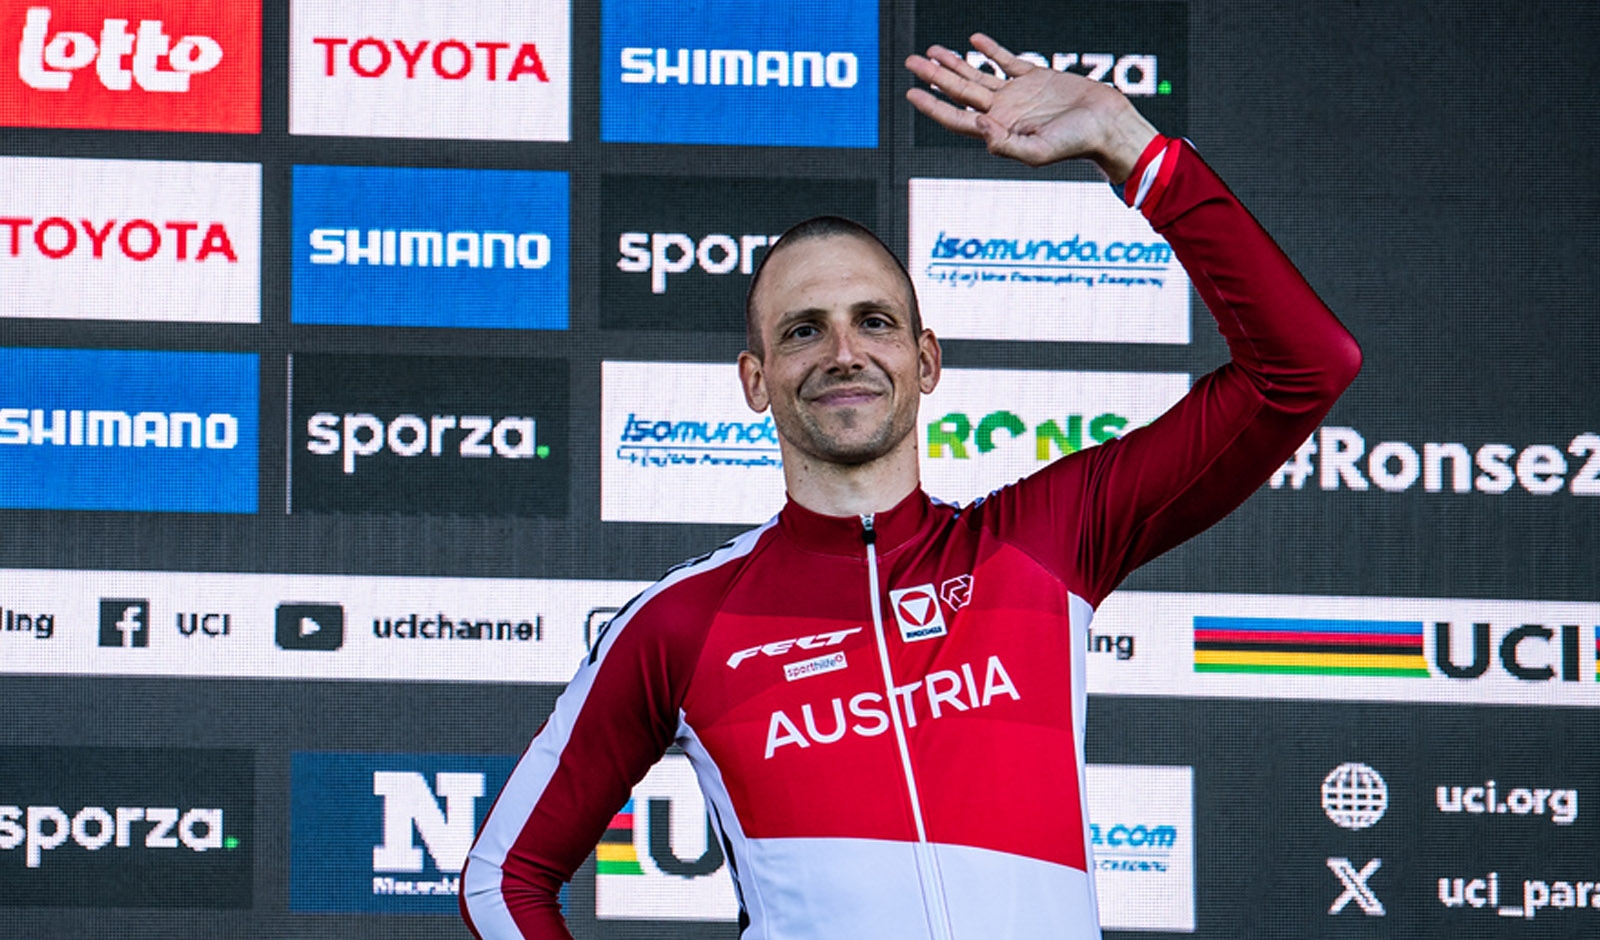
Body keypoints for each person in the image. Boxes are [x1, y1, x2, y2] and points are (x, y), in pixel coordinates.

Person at [461, 34, 1360, 940]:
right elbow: (506, 880)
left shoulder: (1042, 543)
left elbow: (1305, 367)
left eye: (874, 321)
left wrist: (1128, 143)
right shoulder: (682, 623)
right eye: (804, 331)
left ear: (924, 360)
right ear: (754, 378)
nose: (843, 352)